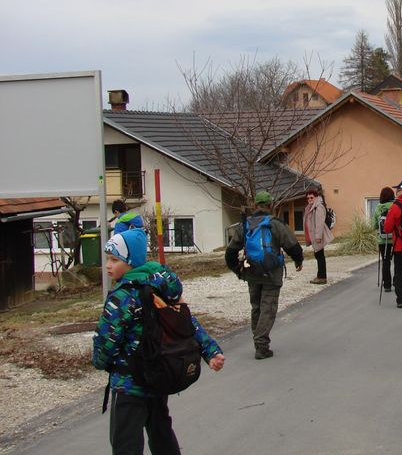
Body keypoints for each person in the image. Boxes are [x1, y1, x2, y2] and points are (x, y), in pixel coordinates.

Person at [93, 228, 225, 454]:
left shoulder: (122, 296)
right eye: (107, 259)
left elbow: (107, 338)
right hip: (157, 375)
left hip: (128, 383)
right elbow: (185, 321)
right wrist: (210, 350)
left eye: (114, 259)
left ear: (131, 262)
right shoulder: (161, 287)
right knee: (161, 433)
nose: (108, 265)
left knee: (126, 441)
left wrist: (100, 361)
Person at [225, 190, 304, 358]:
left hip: (251, 272)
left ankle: (258, 341)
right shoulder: (275, 223)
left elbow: (230, 253)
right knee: (268, 308)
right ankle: (261, 346)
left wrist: (237, 271)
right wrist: (299, 261)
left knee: (257, 307)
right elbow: (293, 246)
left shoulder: (245, 225)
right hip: (271, 273)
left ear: (255, 206)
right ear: (271, 205)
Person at [303, 188, 333, 284]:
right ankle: (320, 275)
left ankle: (322, 277)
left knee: (320, 256)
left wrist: (318, 237)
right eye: (308, 198)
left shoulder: (318, 207)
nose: (309, 199)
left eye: (311, 197)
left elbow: (319, 223)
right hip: (314, 236)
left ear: (316, 197)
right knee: (318, 255)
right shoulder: (311, 207)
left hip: (317, 236)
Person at [371, 186, 396, 292]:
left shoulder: (378, 208)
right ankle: (397, 280)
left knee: (386, 262)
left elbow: (374, 226)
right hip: (396, 239)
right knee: (397, 262)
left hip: (383, 240)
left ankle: (387, 285)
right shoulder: (395, 206)